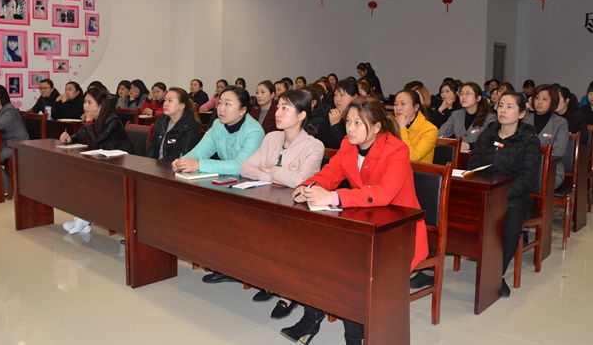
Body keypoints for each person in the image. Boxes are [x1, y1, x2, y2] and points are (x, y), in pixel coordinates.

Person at [286, 96, 428, 345]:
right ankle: (313, 314)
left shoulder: (397, 149)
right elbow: (331, 173)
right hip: (363, 222)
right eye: (348, 121)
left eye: (357, 123)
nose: (350, 128)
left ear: (376, 127)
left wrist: (333, 196)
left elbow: (384, 193)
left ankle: (354, 336)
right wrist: (308, 186)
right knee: (315, 253)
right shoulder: (348, 144)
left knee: (350, 269)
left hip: (398, 232)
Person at [240, 90, 325, 319]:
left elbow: (300, 180)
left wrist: (272, 170)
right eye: (278, 107)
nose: (277, 113)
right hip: (268, 200)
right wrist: (271, 176)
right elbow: (245, 167)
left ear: (301, 115)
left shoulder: (314, 146)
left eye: (285, 108)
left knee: (286, 240)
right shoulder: (271, 138)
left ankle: (288, 294)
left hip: (297, 209)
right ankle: (271, 282)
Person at [174, 86, 265, 282]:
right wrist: (183, 161)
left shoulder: (254, 131)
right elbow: (200, 151)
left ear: (243, 110)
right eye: (220, 103)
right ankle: (217, 259)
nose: (221, 108)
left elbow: (240, 166)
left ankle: (233, 267)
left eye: (228, 104)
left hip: (252, 189)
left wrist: (198, 164)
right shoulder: (217, 125)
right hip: (228, 183)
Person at [466, 91, 541, 298]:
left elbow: (526, 178)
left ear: (521, 113)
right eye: (500, 106)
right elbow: (473, 166)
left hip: (514, 195)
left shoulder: (529, 140)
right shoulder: (487, 135)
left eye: (509, 107)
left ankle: (496, 274)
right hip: (485, 191)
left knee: (511, 223)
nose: (503, 111)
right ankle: (431, 270)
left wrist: (500, 195)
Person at [60, 87, 134, 234]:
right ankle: (82, 218)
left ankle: (82, 219)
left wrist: (88, 121)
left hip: (121, 163)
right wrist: (70, 138)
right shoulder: (94, 117)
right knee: (78, 176)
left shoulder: (112, 120)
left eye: (90, 102)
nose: (85, 106)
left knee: (87, 179)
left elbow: (95, 141)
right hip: (103, 161)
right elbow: (81, 135)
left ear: (100, 105)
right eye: (85, 102)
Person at [522, 84, 568, 188]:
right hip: (525, 168)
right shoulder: (525, 120)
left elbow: (558, 151)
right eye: (537, 98)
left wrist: (531, 155)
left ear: (553, 101)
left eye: (544, 99)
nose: (539, 102)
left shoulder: (560, 123)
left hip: (550, 169)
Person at [438, 82, 496, 150]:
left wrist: (469, 146)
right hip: (459, 155)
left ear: (478, 98)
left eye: (468, 93)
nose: (463, 97)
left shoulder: (490, 118)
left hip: (480, 155)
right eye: (461, 94)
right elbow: (441, 135)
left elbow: (492, 142)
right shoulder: (456, 115)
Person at [393, 89, 438, 163]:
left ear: (416, 107)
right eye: (395, 104)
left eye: (403, 104)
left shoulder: (430, 130)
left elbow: (412, 157)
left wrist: (402, 128)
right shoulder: (390, 124)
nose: (398, 108)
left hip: (417, 169)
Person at [318, 79, 358, 149]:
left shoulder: (359, 118)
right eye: (335, 95)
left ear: (355, 97)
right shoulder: (332, 113)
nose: (337, 99)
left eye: (342, 95)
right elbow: (320, 139)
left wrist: (335, 125)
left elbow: (347, 147)